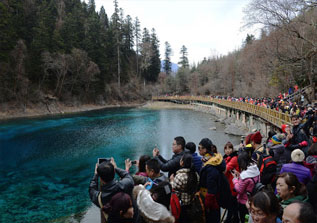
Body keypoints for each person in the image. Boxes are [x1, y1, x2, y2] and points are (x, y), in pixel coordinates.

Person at [89, 158, 134, 223]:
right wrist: (116, 168)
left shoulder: (99, 198)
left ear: (101, 179)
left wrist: (96, 175)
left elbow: (92, 189)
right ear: (114, 172)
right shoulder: (126, 185)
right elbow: (127, 176)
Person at [198, 138, 226, 223]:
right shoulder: (213, 159)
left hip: (211, 201)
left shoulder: (210, 166)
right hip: (214, 198)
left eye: (199, 148)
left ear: (205, 149)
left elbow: (211, 189)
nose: (198, 150)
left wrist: (207, 205)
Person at [170, 153, 199, 223]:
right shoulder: (196, 175)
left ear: (182, 162)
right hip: (192, 204)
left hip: (180, 206)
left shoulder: (180, 176)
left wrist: (171, 181)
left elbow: (173, 189)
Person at [232, 151, 260, 223]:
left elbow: (239, 190)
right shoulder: (255, 169)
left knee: (244, 219)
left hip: (244, 201)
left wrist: (235, 179)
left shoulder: (245, 176)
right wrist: (239, 175)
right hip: (254, 198)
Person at [223, 141, 239, 223]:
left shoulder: (233, 159)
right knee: (233, 205)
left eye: (229, 148)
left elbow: (225, 169)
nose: (228, 150)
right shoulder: (226, 158)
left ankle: (229, 220)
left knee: (231, 205)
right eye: (226, 149)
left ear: (232, 149)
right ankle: (233, 219)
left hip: (233, 185)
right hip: (229, 184)